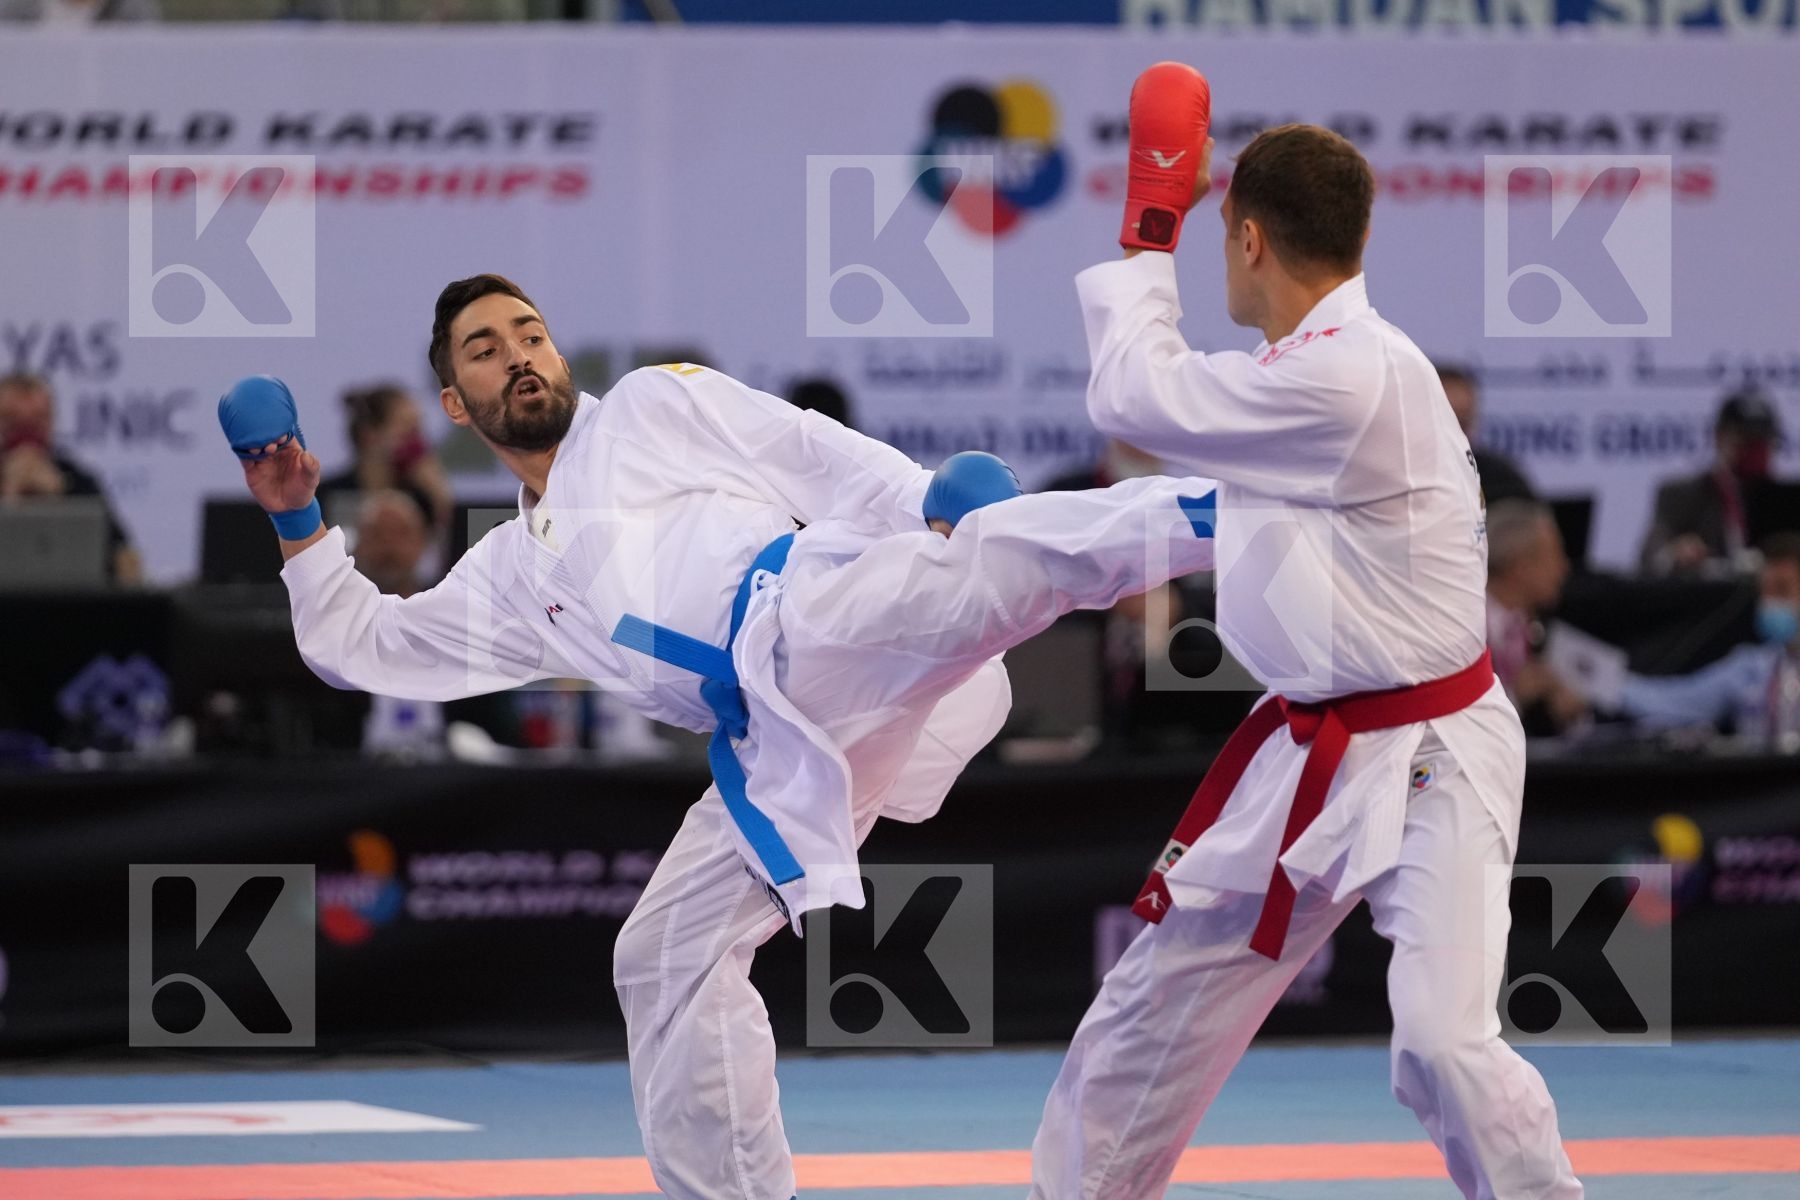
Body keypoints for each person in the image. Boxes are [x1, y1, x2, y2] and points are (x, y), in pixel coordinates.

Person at [219, 274, 1217, 1200]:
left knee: (989, 569)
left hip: (804, 614)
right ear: (453, 401)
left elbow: (809, 452)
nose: (519, 354)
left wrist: (923, 497)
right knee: (660, 956)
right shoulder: (511, 575)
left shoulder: (651, 406)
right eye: (484, 348)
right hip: (771, 745)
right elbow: (365, 644)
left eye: (532, 334)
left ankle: (1236, 510)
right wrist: (298, 520)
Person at [1032, 64, 1581, 1200]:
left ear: (1243, 242)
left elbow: (1133, 399)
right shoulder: (1307, 375)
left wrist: (1147, 224)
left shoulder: (1348, 379)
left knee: (1442, 1043)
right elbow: (1195, 503)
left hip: (1432, 748)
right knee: (1151, 1009)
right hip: (1306, 748)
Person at [1615, 532, 1800, 747]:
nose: (1769, 602)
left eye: (1781, 589)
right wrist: (1604, 682)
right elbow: (1674, 701)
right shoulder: (1752, 669)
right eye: (1763, 591)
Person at [0, 371, 141, 584]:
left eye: (37, 421)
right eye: (12, 421)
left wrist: (62, 498)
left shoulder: (78, 481)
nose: (26, 434)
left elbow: (125, 560)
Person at [1639, 386, 1783, 577]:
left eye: (1763, 440)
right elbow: (1652, 556)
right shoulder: (1683, 495)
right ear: (1719, 437)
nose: (1755, 449)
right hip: (1712, 601)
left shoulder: (1784, 500)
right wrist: (1675, 554)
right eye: (1746, 439)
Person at [1485, 498, 1586, 736]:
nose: (1564, 568)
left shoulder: (1531, 628)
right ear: (1521, 565)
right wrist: (1515, 695)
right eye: (1555, 554)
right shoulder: (1467, 627)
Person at [315, 382, 454, 544]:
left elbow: (439, 559)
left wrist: (439, 496)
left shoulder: (420, 498)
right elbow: (343, 550)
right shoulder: (331, 494)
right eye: (408, 430)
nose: (417, 442)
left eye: (419, 431)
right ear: (369, 435)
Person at [1436, 361, 1536, 505]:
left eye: (1464, 423)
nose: (1458, 435)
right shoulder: (1400, 480)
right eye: (1449, 422)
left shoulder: (1502, 482)